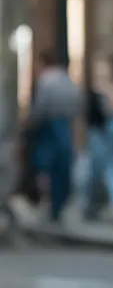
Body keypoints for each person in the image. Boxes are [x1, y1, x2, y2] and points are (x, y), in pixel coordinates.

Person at [27, 48, 81, 222]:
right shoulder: (68, 81)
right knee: (63, 165)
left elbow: (40, 107)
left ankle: (48, 203)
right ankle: (59, 204)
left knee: (45, 164)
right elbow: (77, 103)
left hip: (49, 126)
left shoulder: (46, 80)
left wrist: (31, 124)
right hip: (65, 124)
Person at [84, 58, 113, 222]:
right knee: (112, 167)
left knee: (111, 167)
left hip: (109, 129)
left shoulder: (104, 89)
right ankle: (112, 203)